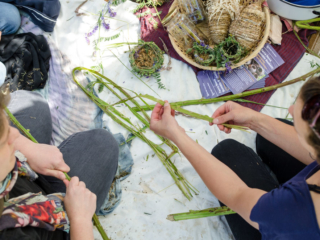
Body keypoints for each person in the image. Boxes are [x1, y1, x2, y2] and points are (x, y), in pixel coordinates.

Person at [150, 77, 320, 240]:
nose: (290, 110)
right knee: (267, 136)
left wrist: (176, 135)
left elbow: (237, 194)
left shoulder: (299, 210)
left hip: (285, 223)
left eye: (297, 118)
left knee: (226, 153)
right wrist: (254, 120)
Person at [0, 87, 119, 239]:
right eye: (4, 142)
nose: (15, 133)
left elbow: (14, 136)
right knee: (103, 145)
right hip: (50, 224)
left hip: (23, 182)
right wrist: (80, 220)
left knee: (35, 108)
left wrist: (28, 148)